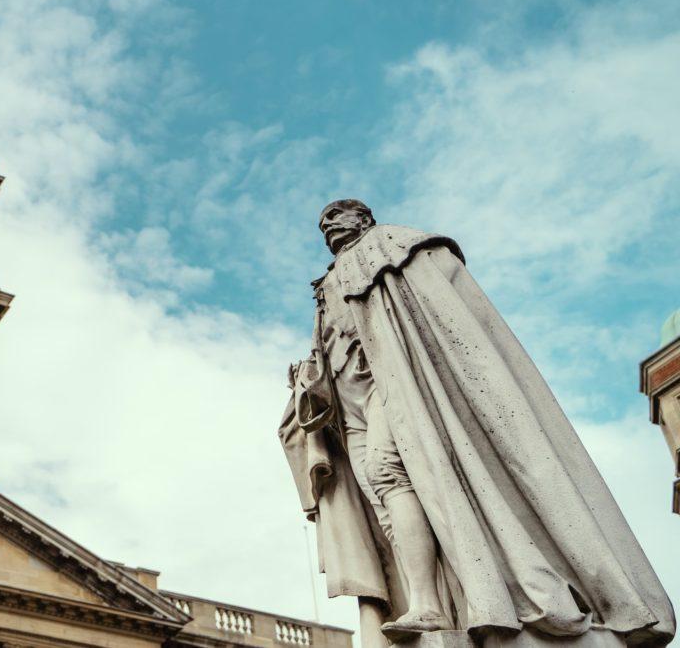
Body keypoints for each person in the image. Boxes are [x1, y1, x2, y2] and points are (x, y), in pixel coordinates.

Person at [280, 200, 674, 646]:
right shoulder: (326, 285)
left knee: (389, 473)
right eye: (323, 223)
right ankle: (428, 598)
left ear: (363, 219)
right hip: (348, 409)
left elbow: (442, 321)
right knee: (382, 503)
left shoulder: (397, 246)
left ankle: (432, 601)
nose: (328, 225)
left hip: (398, 388)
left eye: (338, 216)